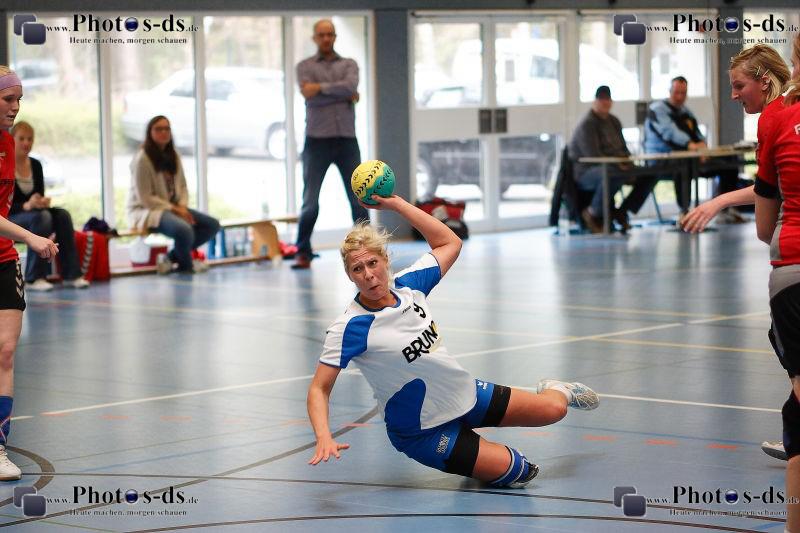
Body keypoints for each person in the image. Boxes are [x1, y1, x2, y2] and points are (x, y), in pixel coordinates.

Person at [306, 191, 599, 487]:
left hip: (466, 395)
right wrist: (323, 435)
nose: (368, 274)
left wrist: (397, 205)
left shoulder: (411, 286)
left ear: (385, 260)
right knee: (518, 471)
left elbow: (450, 242)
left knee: (554, 410)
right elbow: (319, 388)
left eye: (372, 263)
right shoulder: (349, 327)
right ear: (350, 275)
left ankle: (557, 389)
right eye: (357, 269)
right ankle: (475, 455)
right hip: (422, 431)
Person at [0, 66, 60, 479]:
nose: (16, 107)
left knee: (5, 352)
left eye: (19, 99)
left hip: (3, 259)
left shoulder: (8, 143)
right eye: (8, 99)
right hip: (16, 242)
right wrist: (32, 238)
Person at [751, 39, 800, 529]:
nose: (735, 95)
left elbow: (765, 222)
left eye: (739, 86)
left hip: (792, 269)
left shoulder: (777, 119)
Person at [681, 45, 792, 234]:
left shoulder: (771, 118)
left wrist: (719, 201)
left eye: (739, 86)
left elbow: (767, 192)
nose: (733, 95)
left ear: (764, 82)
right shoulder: (787, 108)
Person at [292, 19, 369, 269]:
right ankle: (302, 251)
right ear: (315, 38)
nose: (326, 38)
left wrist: (320, 90)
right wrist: (342, 94)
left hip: (347, 140)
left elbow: (350, 86)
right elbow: (308, 93)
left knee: (359, 198)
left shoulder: (349, 64)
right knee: (310, 201)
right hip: (316, 142)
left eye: (330, 34)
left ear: (335, 37)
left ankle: (368, 249)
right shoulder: (304, 66)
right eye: (321, 35)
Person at [639, 76, 743, 220]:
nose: (680, 97)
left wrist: (702, 148)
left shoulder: (685, 111)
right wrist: (691, 145)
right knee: (684, 164)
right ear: (669, 91)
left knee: (729, 161)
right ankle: (685, 212)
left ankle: (726, 209)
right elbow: (670, 132)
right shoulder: (657, 110)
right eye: (677, 92)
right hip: (661, 160)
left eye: (683, 93)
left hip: (690, 157)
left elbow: (696, 133)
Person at [127, 115, 220, 274]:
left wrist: (182, 206)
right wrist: (175, 209)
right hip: (149, 210)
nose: (164, 132)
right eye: (158, 129)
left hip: (174, 208)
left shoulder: (174, 155)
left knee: (212, 225)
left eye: (167, 128)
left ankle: (170, 258)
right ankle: (186, 267)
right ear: (150, 132)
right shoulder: (142, 159)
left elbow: (182, 186)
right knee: (184, 230)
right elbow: (146, 198)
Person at [9, 121, 89, 291]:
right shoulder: (5, 164)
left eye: (30, 139)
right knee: (42, 217)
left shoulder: (36, 165)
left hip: (34, 214)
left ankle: (71, 275)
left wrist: (41, 202)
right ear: (12, 139)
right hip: (11, 216)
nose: (26, 143)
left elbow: (39, 194)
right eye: (21, 138)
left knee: (63, 215)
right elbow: (4, 205)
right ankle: (34, 277)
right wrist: (26, 205)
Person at [568, 85, 646, 233]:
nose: (605, 102)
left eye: (607, 99)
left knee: (648, 173)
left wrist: (626, 161)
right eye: (601, 99)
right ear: (595, 101)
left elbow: (624, 149)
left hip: (616, 166)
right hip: (587, 172)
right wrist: (617, 163)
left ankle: (622, 211)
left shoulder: (614, 121)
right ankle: (592, 213)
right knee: (612, 173)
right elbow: (593, 156)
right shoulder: (587, 124)